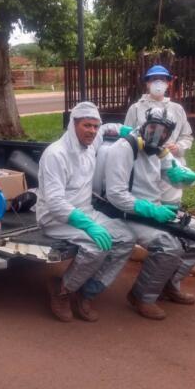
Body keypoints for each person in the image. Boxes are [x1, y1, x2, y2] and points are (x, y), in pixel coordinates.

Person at [36, 101, 136, 322]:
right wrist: (89, 225)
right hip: (56, 218)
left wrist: (127, 130)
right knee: (96, 246)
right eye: (87, 125)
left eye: (95, 126)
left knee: (126, 238)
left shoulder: (91, 142)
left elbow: (109, 127)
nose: (92, 130)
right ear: (73, 125)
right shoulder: (56, 154)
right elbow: (55, 202)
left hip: (85, 212)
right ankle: (62, 291)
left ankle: (87, 291)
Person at [100, 107, 195, 320]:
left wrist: (182, 176)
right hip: (127, 213)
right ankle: (142, 297)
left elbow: (172, 177)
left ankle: (168, 285)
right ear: (144, 125)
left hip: (153, 210)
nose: (157, 134)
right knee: (168, 246)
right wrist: (152, 210)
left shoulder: (159, 150)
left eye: (163, 131)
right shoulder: (125, 148)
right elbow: (116, 195)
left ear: (169, 133)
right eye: (153, 127)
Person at [124, 65, 193, 206]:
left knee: (171, 203)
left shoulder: (177, 109)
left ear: (168, 83)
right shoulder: (136, 108)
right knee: (147, 203)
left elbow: (187, 136)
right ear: (147, 83)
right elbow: (127, 136)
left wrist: (178, 147)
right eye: (154, 79)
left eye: (162, 79)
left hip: (171, 163)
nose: (158, 83)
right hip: (144, 165)